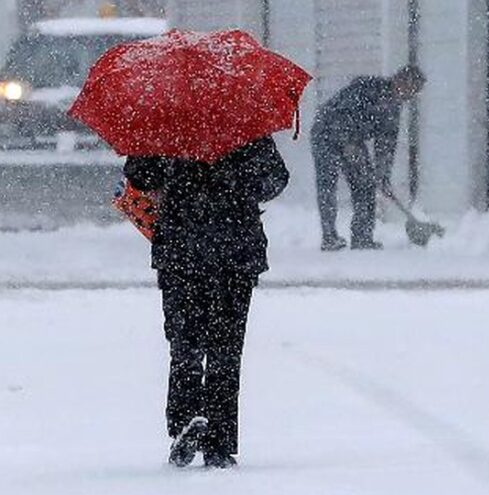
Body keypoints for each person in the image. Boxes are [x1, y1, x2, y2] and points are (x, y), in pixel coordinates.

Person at [124, 136, 289, 469]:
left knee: (185, 344)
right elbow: (275, 180)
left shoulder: (166, 125)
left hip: (180, 248)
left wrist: (174, 169)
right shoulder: (244, 124)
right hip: (236, 249)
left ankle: (185, 420)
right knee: (226, 348)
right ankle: (220, 441)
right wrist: (234, 179)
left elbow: (139, 176)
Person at [311, 65, 425, 251]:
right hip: (325, 133)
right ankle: (329, 237)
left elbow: (386, 144)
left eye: (414, 92)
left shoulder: (393, 110)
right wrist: (347, 143)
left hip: (354, 139)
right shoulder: (367, 88)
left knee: (365, 184)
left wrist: (383, 175)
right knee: (327, 184)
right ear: (400, 81)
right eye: (411, 89)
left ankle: (362, 237)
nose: (410, 96)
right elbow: (341, 112)